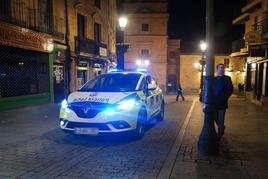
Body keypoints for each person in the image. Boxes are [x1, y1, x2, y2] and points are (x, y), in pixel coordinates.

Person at [213, 64, 233, 140]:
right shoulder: (214, 79)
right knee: (214, 117)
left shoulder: (227, 78)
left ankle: (219, 135)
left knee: (221, 119)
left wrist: (225, 98)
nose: (221, 69)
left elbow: (230, 90)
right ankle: (222, 127)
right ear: (217, 69)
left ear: (224, 69)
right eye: (220, 68)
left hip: (222, 102)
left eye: (222, 68)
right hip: (214, 103)